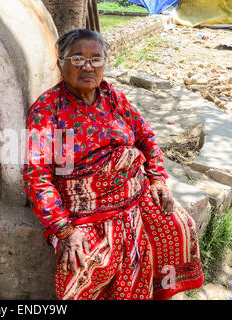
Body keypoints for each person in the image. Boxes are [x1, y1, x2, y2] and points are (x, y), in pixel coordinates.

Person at [23, 29, 204, 300]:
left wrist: (157, 179)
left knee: (177, 224)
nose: (87, 66)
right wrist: (63, 228)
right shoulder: (48, 109)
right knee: (83, 264)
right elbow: (36, 174)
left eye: (96, 59)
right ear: (60, 62)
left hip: (135, 194)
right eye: (77, 58)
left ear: (105, 64)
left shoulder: (112, 97)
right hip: (85, 211)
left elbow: (146, 136)